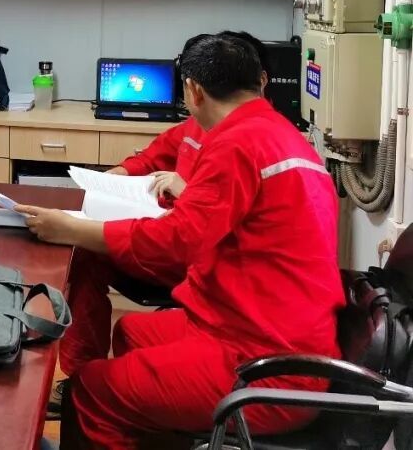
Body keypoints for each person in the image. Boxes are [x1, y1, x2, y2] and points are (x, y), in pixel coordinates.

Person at [17, 34, 343, 448]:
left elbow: (177, 240)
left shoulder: (238, 143)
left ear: (193, 90)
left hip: (267, 364)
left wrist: (70, 228)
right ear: (257, 81)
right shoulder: (275, 133)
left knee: (91, 394)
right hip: (264, 328)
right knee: (131, 334)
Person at [54, 32, 271, 397]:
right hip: (179, 241)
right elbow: (154, 155)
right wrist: (114, 177)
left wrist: (73, 228)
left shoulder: (241, 143)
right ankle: (78, 375)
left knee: (88, 241)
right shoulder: (202, 126)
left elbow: (192, 233)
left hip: (196, 263)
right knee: (89, 256)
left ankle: (93, 389)